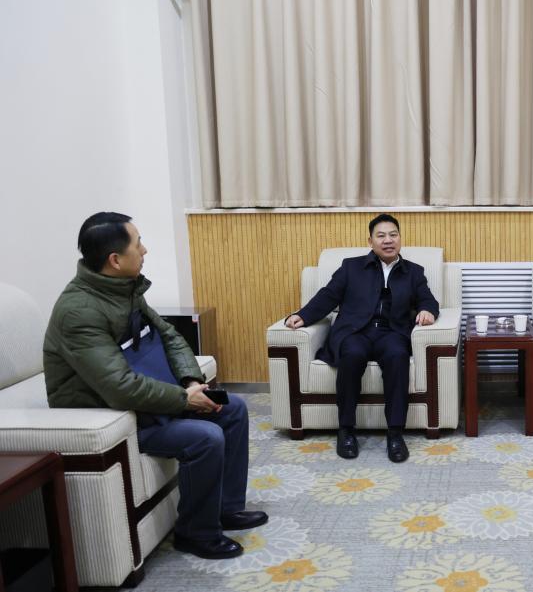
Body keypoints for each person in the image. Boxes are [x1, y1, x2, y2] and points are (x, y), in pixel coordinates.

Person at [44, 212, 267, 560]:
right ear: (115, 260)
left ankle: (226, 508)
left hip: (146, 404)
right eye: (138, 244)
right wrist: (184, 400)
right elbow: (119, 387)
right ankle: (195, 533)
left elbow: (169, 336)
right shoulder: (79, 312)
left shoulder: (125, 289)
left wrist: (192, 382)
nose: (144, 250)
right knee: (205, 437)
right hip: (116, 414)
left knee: (233, 408)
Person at [285, 213, 439, 463]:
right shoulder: (351, 267)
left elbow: (428, 300)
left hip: (392, 333)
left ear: (400, 238)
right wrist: (303, 315)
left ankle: (395, 433)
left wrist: (427, 310)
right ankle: (346, 430)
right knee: (352, 354)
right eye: (381, 236)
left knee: (398, 356)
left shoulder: (413, 272)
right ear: (370, 241)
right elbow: (328, 295)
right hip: (355, 331)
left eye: (393, 235)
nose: (388, 240)